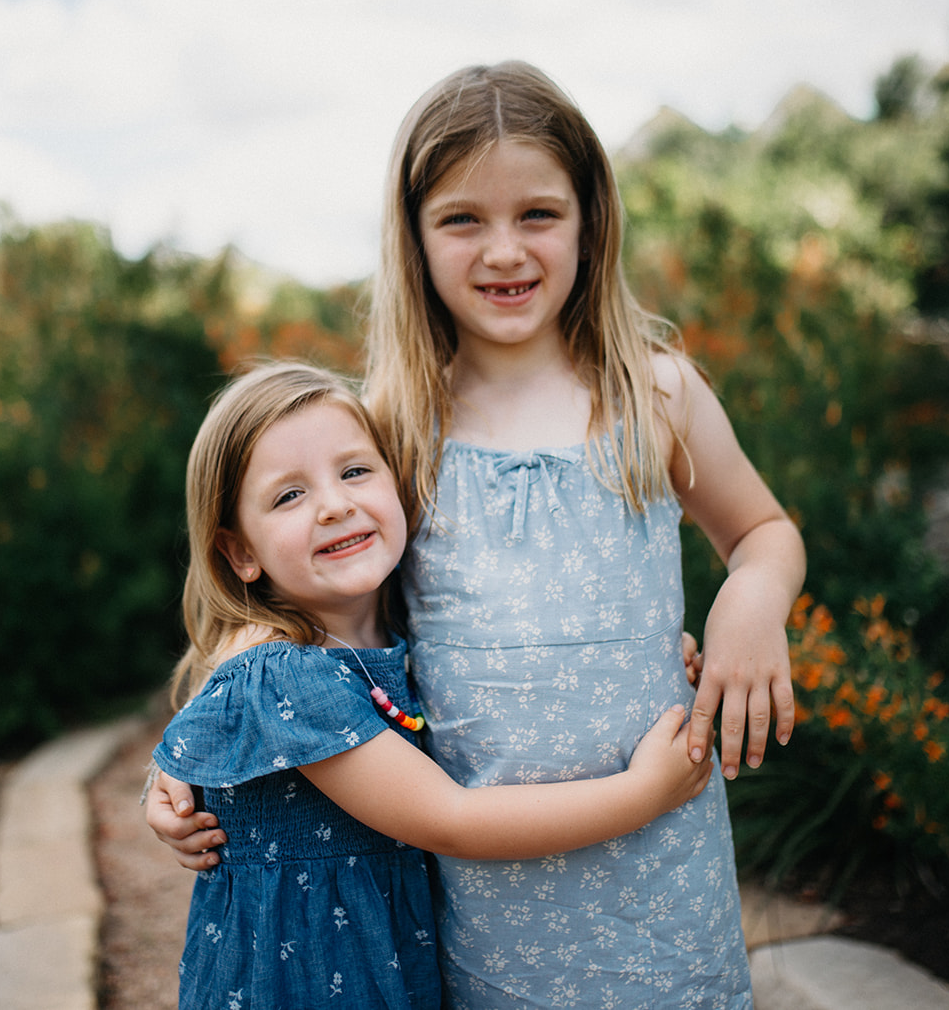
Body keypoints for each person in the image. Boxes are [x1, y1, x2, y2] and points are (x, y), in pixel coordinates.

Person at [152, 61, 806, 1007]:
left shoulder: (656, 393)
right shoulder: (394, 425)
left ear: (590, 220)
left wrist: (751, 597)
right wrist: (175, 770)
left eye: (538, 214)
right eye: (463, 219)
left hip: (663, 871)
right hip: (490, 902)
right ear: (414, 238)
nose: (504, 250)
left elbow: (765, 530)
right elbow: (290, 622)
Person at [154, 360, 714, 1010]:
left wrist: (634, 662)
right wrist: (643, 793)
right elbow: (451, 819)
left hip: (383, 965)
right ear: (240, 553)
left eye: (355, 471)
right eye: (289, 496)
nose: (335, 504)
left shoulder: (397, 641)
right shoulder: (283, 675)